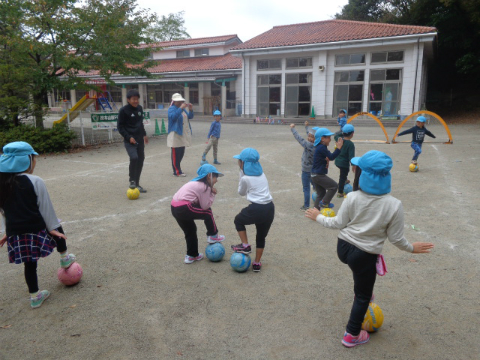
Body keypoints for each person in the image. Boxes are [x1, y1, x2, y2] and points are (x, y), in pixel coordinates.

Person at [305, 150, 434, 348]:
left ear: (364, 175)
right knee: (364, 296)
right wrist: (411, 248)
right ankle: (351, 335)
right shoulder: (394, 205)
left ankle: (361, 290)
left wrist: (318, 216)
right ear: (387, 176)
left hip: (344, 248)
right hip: (364, 255)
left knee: (361, 279)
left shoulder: (353, 196)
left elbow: (338, 223)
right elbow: (396, 238)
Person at [0, 142, 76, 309]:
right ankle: (64, 258)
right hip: (36, 229)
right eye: (33, 159)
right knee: (56, 224)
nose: (35, 162)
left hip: (17, 232)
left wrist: (7, 232)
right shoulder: (35, 181)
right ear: (26, 160)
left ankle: (35, 297)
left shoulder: (2, 183)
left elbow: (4, 212)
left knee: (30, 264)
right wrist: (52, 229)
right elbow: (46, 210)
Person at [171, 164, 225, 264]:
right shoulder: (204, 186)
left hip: (174, 207)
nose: (217, 180)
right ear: (209, 176)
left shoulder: (195, 183)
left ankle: (192, 255)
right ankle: (213, 235)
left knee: (190, 230)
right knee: (208, 212)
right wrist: (212, 194)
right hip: (184, 208)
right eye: (215, 177)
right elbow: (205, 206)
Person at [231, 148, 274, 272]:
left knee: (238, 220)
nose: (238, 163)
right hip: (269, 208)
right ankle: (256, 263)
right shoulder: (262, 174)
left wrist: (241, 175)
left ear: (243, 164)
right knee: (261, 237)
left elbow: (241, 193)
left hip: (257, 208)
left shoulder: (245, 178)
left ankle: (245, 245)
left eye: (239, 161)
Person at [117, 89, 149, 192]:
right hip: (129, 140)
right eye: (133, 99)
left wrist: (144, 134)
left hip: (139, 139)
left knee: (140, 160)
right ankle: (132, 180)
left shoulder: (139, 108)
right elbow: (120, 127)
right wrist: (128, 137)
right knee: (134, 157)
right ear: (128, 100)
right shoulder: (123, 110)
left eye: (137, 99)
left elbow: (140, 123)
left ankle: (137, 184)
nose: (136, 101)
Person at [311, 128, 343, 209]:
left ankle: (316, 210)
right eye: (328, 137)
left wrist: (325, 159)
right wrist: (338, 148)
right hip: (318, 175)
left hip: (314, 175)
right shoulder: (322, 147)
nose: (330, 139)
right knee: (334, 186)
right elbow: (331, 157)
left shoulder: (320, 147)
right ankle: (325, 203)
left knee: (321, 193)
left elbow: (324, 157)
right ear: (322, 139)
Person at [290, 121, 315, 210]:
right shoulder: (318, 144)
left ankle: (306, 205)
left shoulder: (308, 145)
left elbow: (299, 138)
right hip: (314, 169)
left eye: (312, 137)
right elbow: (310, 134)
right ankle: (318, 195)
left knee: (306, 187)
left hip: (306, 170)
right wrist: (307, 127)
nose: (309, 138)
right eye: (309, 136)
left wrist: (293, 129)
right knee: (314, 183)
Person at [168, 93, 194, 177]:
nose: (180, 102)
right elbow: (173, 117)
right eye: (178, 101)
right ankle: (176, 171)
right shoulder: (172, 109)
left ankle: (178, 169)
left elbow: (190, 117)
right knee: (176, 153)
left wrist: (190, 110)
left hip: (182, 133)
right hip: (175, 133)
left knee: (181, 152)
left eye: (181, 101)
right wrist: (180, 108)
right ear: (174, 101)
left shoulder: (182, 109)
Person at [334, 124, 355, 198]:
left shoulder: (339, 139)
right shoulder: (350, 144)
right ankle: (340, 192)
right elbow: (351, 156)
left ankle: (345, 180)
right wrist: (353, 165)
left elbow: (335, 135)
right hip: (344, 163)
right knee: (342, 176)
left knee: (343, 173)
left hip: (337, 161)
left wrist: (341, 132)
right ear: (352, 134)